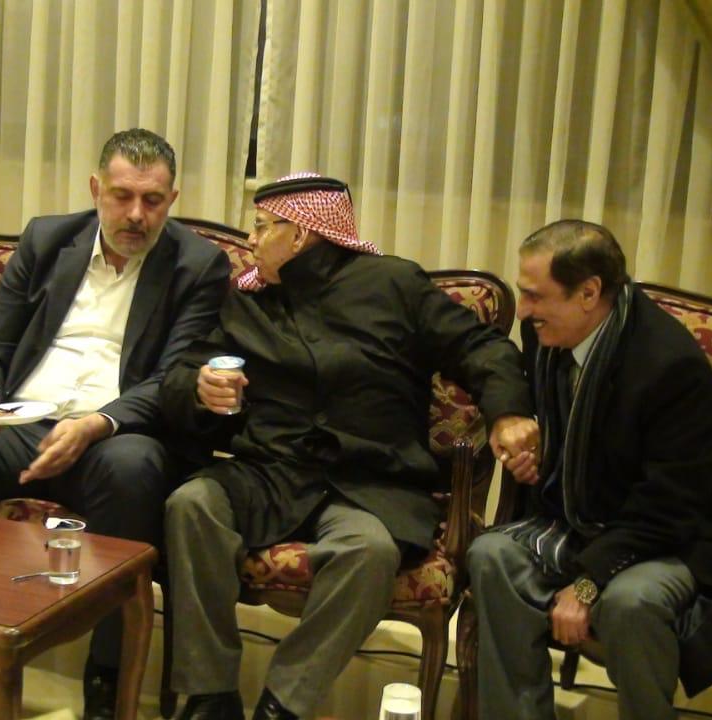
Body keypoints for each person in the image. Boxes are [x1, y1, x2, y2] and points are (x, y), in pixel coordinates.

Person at [0, 128, 230, 719]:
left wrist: (97, 423)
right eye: (122, 196)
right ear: (96, 189)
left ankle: (106, 681)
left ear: (172, 199)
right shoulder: (48, 239)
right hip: (20, 426)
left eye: (152, 200)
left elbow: (172, 379)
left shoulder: (198, 265)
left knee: (134, 468)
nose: (136, 214)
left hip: (111, 439)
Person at [161, 173, 538, 720]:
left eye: (262, 227)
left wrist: (508, 413)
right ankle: (210, 696)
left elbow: (482, 348)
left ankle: (282, 704)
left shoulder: (393, 285)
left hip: (369, 481)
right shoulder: (247, 298)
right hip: (271, 472)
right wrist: (200, 388)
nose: (250, 240)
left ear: (301, 234)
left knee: (370, 552)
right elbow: (184, 371)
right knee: (191, 505)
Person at [466, 219, 712, 720]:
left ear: (589, 293)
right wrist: (532, 438)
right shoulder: (546, 332)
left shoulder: (668, 364)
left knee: (630, 602)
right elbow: (527, 384)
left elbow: (671, 503)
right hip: (583, 521)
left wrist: (586, 585)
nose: (523, 310)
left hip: (674, 536)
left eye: (535, 296)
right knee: (491, 557)